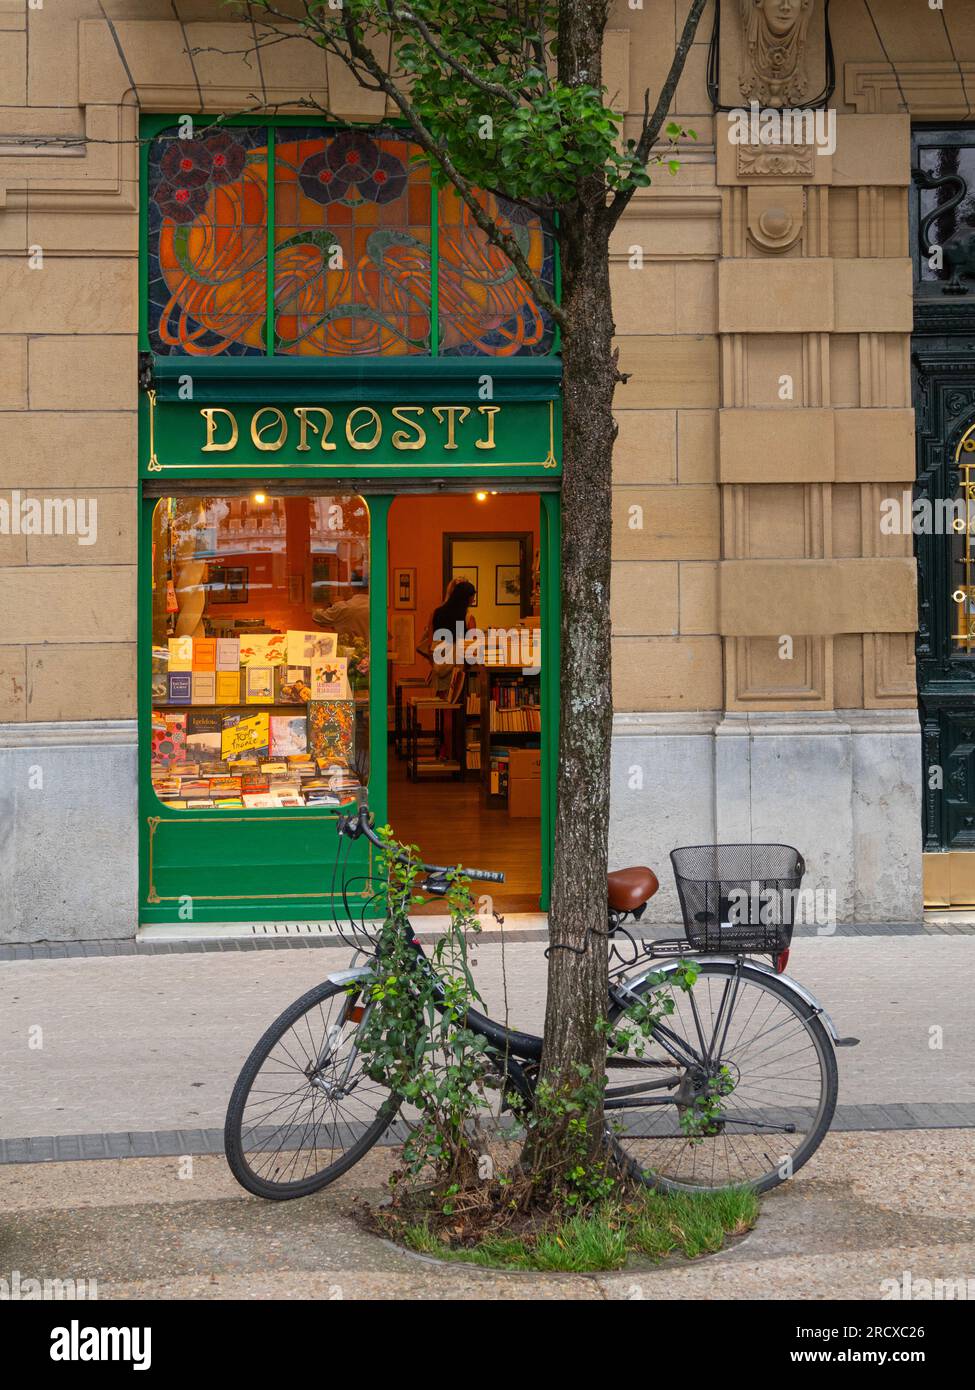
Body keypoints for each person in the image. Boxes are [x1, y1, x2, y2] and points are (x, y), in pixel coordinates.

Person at [423, 579, 476, 694]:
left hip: (439, 666)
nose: (473, 599)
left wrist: (435, 665)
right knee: (456, 705)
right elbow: (473, 648)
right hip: (458, 670)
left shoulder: (436, 613)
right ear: (466, 597)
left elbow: (430, 646)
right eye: (472, 596)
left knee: (441, 705)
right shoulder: (468, 617)